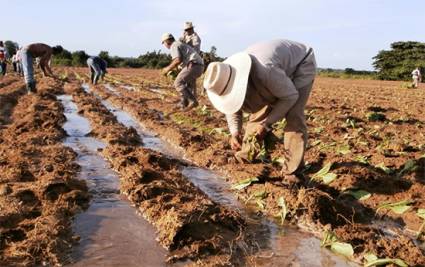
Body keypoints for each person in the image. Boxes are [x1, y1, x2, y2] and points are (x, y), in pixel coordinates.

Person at [203, 39, 317, 176]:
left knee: (294, 115)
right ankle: (245, 156)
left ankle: (293, 170)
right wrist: (235, 132)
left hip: (301, 64)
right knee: (258, 113)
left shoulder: (266, 71)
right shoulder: (227, 74)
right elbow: (232, 107)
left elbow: (290, 96)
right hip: (274, 70)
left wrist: (267, 124)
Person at [161, 33, 204, 110]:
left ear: (167, 42)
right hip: (198, 66)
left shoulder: (174, 45)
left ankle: (193, 101)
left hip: (193, 65)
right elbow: (180, 61)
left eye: (164, 43)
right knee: (185, 85)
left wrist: (167, 69)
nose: (165, 46)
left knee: (178, 83)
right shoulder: (179, 44)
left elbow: (177, 60)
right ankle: (183, 103)